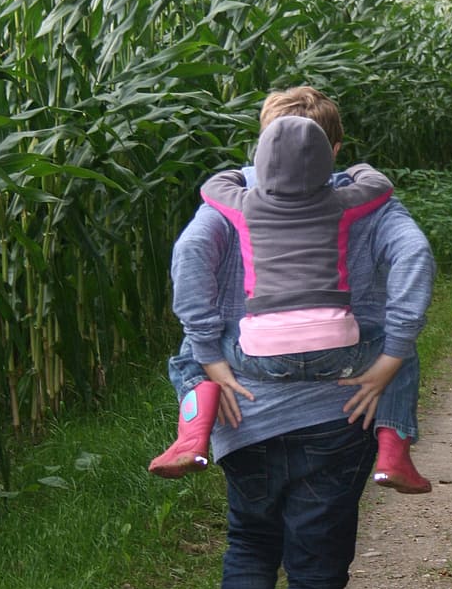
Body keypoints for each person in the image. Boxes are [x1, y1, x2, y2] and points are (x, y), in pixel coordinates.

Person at [160, 86, 435, 589]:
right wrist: (392, 355)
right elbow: (416, 259)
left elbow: (190, 256)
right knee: (315, 579)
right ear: (335, 150)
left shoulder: (230, 202)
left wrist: (209, 354)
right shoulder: (363, 202)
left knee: (249, 545)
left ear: (259, 142)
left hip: (242, 408)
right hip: (341, 409)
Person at [149, 112, 430, 493]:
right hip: (339, 349)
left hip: (259, 354)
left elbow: (213, 187)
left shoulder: (244, 205)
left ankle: (191, 435)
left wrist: (211, 358)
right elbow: (379, 186)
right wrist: (357, 169)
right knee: (401, 349)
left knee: (190, 350)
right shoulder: (342, 203)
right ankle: (395, 447)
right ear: (331, 159)